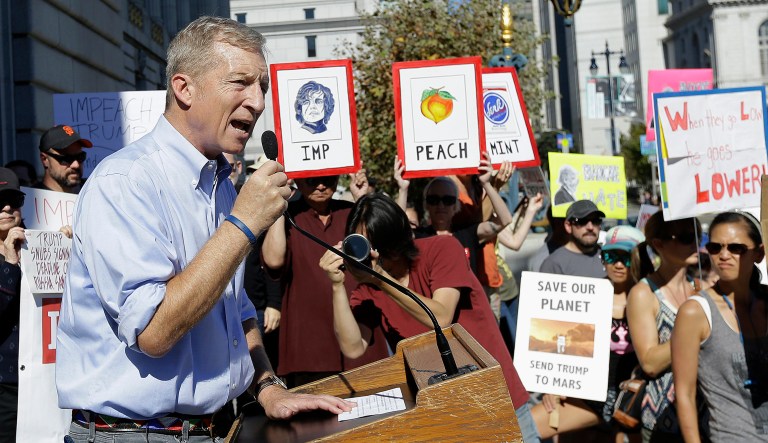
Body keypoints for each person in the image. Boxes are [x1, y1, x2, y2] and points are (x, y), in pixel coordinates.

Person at [56, 16, 355, 443]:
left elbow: (237, 311)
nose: (257, 101)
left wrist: (267, 385)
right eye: (240, 82)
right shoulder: (124, 182)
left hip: (217, 428)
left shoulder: (220, 186)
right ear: (184, 89)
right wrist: (243, 225)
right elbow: (154, 331)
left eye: (263, 87)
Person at [318, 194, 541, 443]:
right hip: (446, 416)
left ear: (395, 239)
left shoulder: (443, 249)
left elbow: (441, 316)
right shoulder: (369, 288)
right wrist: (337, 285)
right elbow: (353, 346)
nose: (372, 255)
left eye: (377, 246)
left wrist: (379, 276)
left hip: (497, 398)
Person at [261, 173, 388, 387]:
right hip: (308, 347)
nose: (320, 186)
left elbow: (381, 251)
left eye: (328, 180)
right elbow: (273, 260)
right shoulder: (289, 216)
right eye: (311, 180)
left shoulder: (350, 212)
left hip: (361, 337)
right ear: (298, 180)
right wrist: (279, 208)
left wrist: (362, 199)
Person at [532, 225, 644, 442]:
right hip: (586, 396)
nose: (619, 264)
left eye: (627, 257)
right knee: (521, 426)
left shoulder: (649, 298)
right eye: (611, 256)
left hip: (631, 400)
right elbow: (560, 342)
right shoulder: (585, 295)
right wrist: (553, 384)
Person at [672, 211, 768, 442]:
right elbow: (684, 394)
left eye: (736, 248)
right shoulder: (695, 312)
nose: (724, 255)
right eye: (715, 247)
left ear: (759, 253)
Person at [626, 211, 702, 442]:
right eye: (687, 236)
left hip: (703, 416)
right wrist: (691, 334)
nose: (696, 242)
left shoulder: (700, 287)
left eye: (699, 234)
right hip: (663, 419)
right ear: (659, 244)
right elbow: (649, 362)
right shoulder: (644, 293)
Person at [0, 168, 26, 443]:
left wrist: (63, 245)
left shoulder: (39, 242)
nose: (7, 208)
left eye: (12, 200)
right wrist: (9, 264)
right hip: (4, 385)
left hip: (42, 377)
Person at [539, 200, 606, 279]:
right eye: (582, 221)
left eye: (596, 221)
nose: (590, 227)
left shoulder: (610, 259)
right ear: (568, 226)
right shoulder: (553, 264)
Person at [35, 124, 92, 193]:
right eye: (66, 158)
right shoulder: (29, 199)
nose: (76, 165)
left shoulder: (94, 193)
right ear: (44, 159)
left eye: (80, 157)